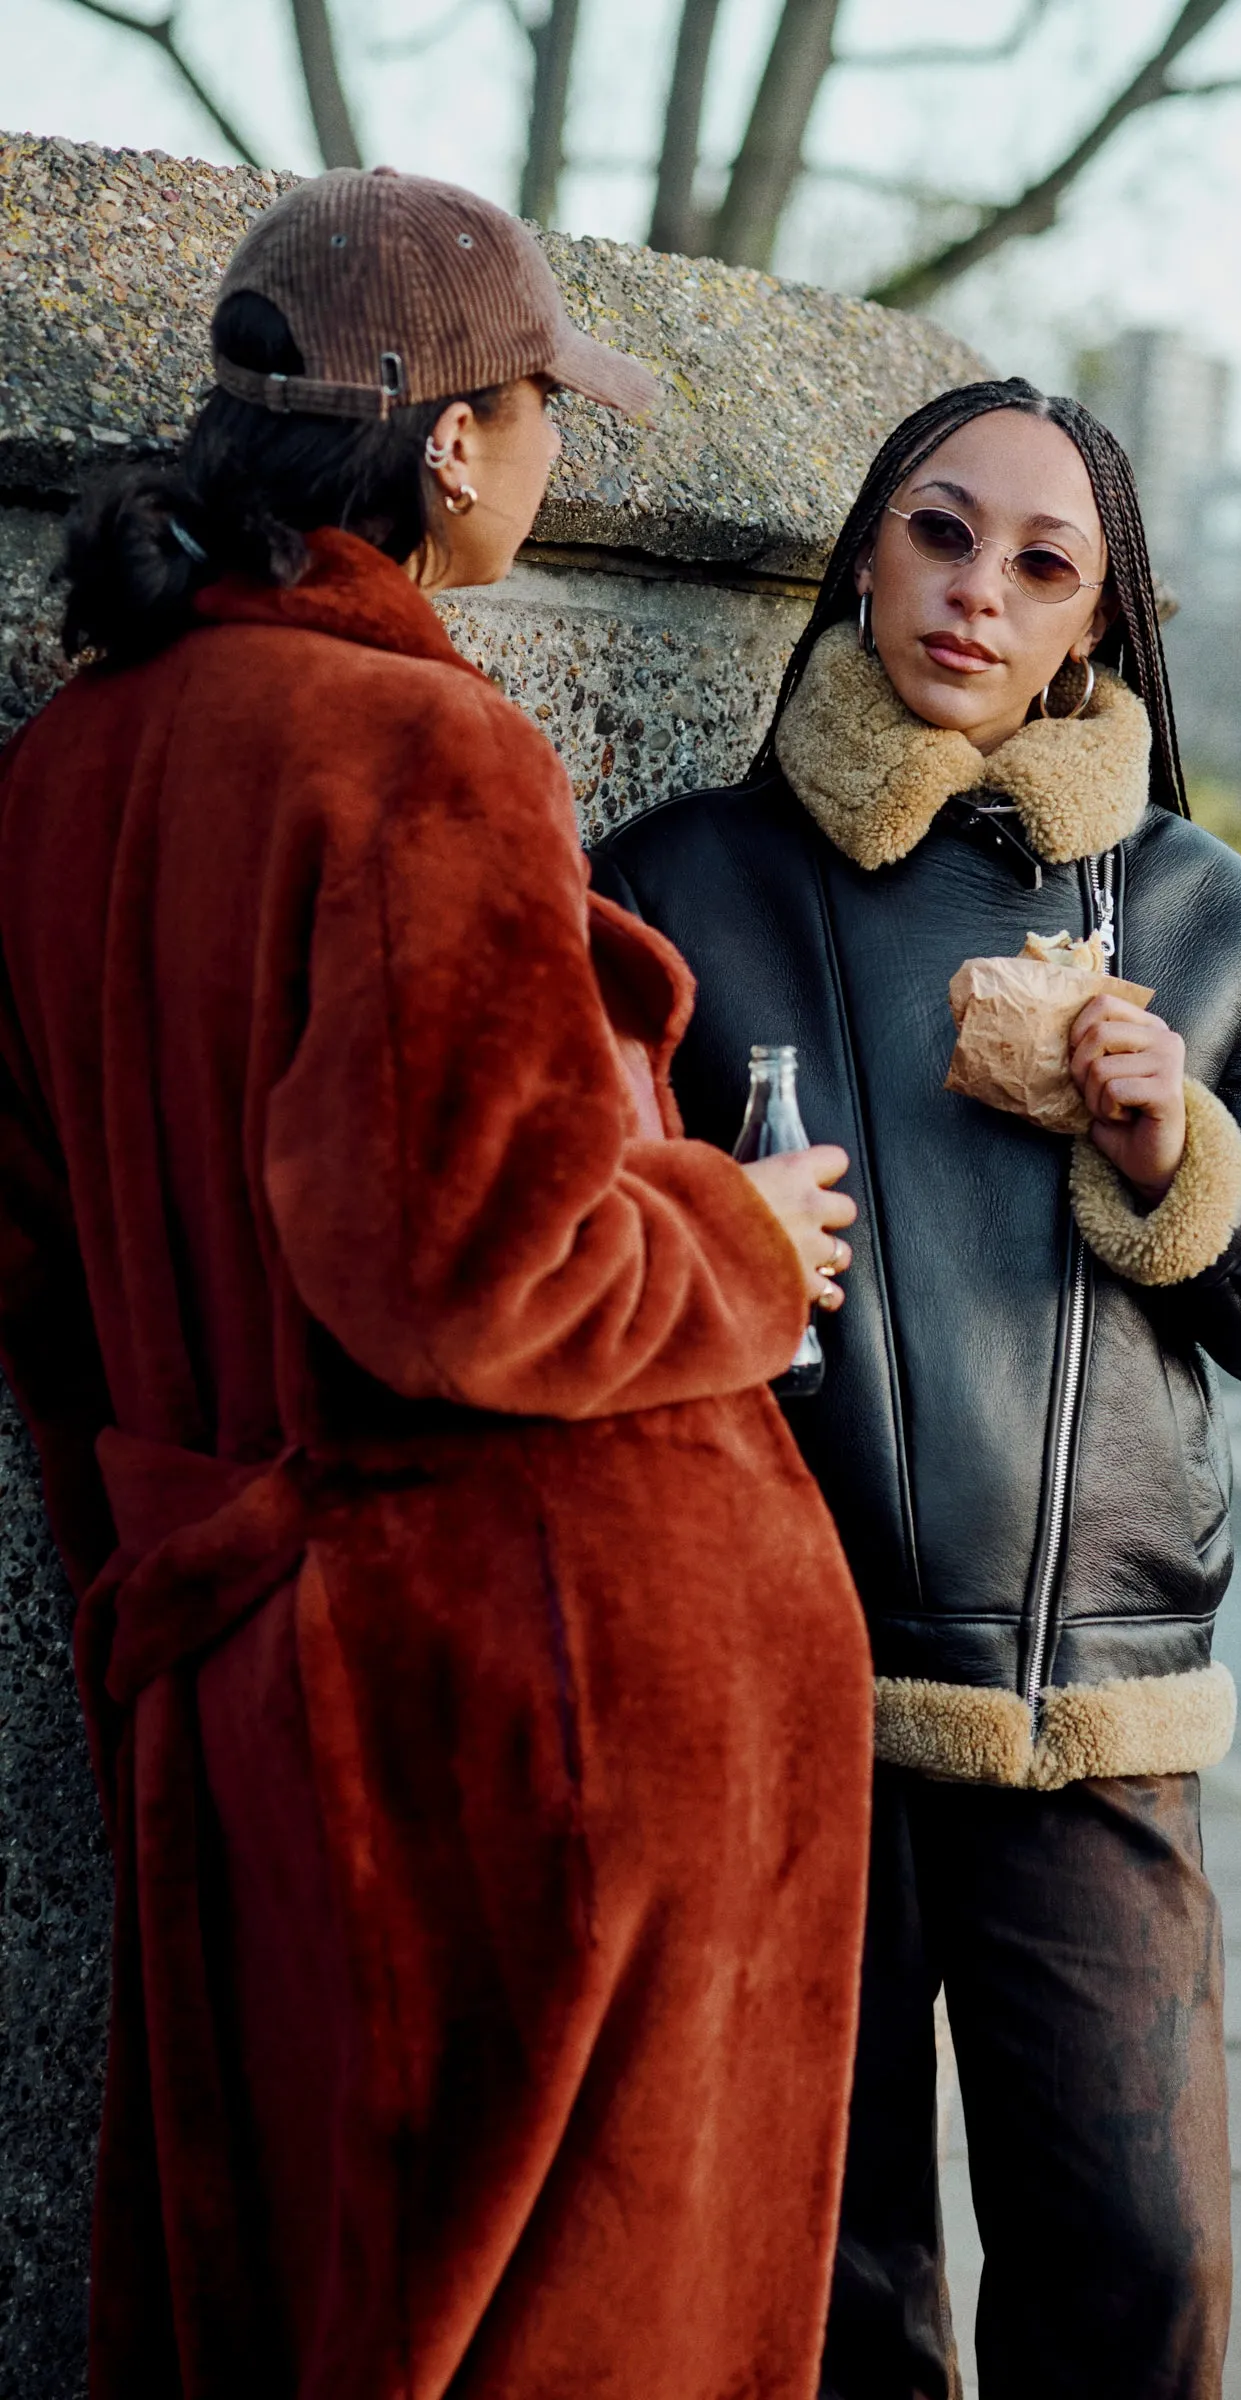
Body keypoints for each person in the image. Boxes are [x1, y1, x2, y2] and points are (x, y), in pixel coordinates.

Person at [0, 168, 873, 2400]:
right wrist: (744, 1245)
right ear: (456, 442)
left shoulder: (73, 759)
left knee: (301, 2300)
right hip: (514, 1706)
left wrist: (150, 1600)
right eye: (542, 407)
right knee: (560, 2321)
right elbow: (483, 1273)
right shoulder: (420, 746)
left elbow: (45, 1274)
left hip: (252, 1662)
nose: (559, 452)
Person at [591, 377, 1241, 2400]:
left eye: (1040, 567)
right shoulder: (676, 883)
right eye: (940, 534)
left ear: (1095, 628)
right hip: (776, 1703)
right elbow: (559, 1269)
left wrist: (1169, 1156)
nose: (974, 594)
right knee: (828, 2298)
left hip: (1085, 1723)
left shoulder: (1209, 918)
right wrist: (716, 1237)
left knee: (1135, 2278)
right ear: (868, 546)